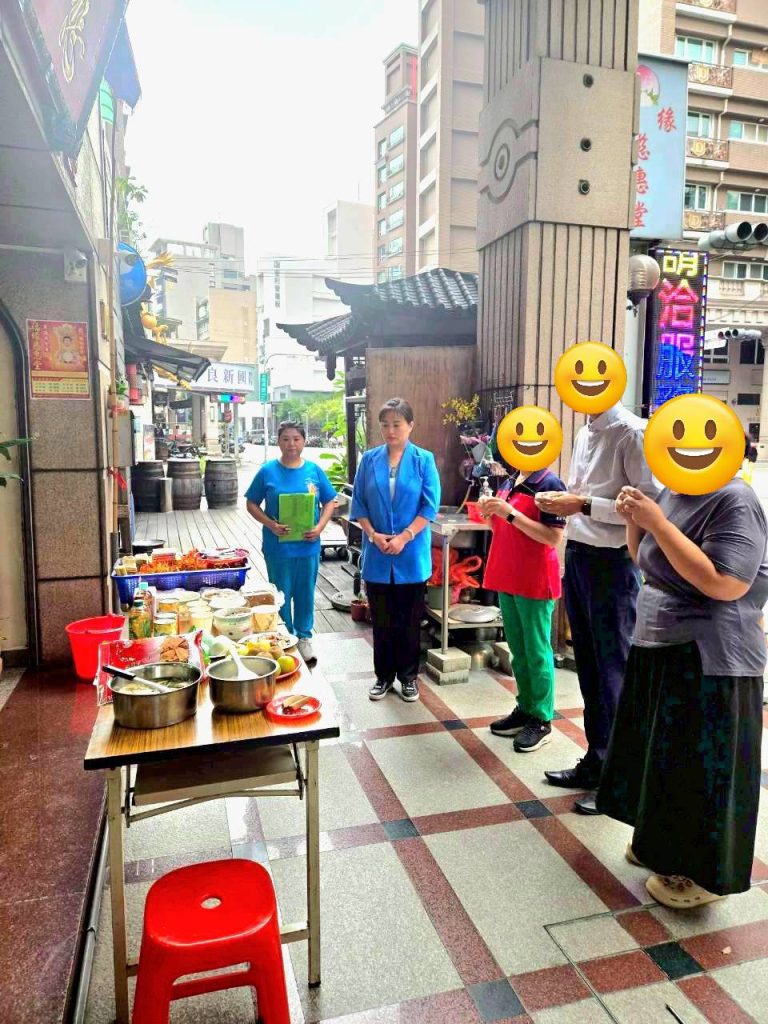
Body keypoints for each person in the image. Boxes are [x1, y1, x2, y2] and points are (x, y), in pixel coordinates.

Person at [596, 479, 768, 908]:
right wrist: (635, 521)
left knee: (702, 765)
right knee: (665, 757)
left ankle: (705, 876)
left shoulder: (735, 499)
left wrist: (656, 521)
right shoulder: (675, 491)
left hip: (714, 652)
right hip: (662, 642)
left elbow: (726, 583)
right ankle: (661, 847)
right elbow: (647, 560)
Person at [536, 401, 658, 813]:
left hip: (614, 563)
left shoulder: (633, 433)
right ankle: (597, 760)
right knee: (588, 667)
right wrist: (566, 503)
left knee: (613, 672)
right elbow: (581, 498)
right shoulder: (585, 431)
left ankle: (621, 781)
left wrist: (583, 504)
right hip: (581, 556)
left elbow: (649, 505)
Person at [350, 398, 440, 702]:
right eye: (385, 424)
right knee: (382, 620)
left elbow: (429, 506)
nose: (390, 430)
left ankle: (409, 677)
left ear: (410, 425)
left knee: (409, 621)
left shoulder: (423, 460)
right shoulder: (369, 460)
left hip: (411, 553)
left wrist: (404, 536)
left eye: (397, 424)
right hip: (377, 552)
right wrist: (373, 534)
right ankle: (383, 676)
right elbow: (359, 504)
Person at [481, 467, 566, 752]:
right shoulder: (511, 480)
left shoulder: (550, 483)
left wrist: (509, 513)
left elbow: (553, 537)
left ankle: (542, 719)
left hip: (535, 578)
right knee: (518, 651)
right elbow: (501, 528)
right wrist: (491, 512)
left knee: (537, 651)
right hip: (508, 574)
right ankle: (526, 708)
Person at [245, 421, 336, 664]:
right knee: (281, 594)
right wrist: (270, 524)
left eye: (296, 439)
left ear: (304, 441)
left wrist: (319, 527)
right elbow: (251, 503)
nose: (291, 444)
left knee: (305, 592)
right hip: (278, 547)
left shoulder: (314, 471)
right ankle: (285, 638)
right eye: (285, 439)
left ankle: (304, 637)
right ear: (278, 442)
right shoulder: (267, 471)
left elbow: (330, 501)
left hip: (308, 545)